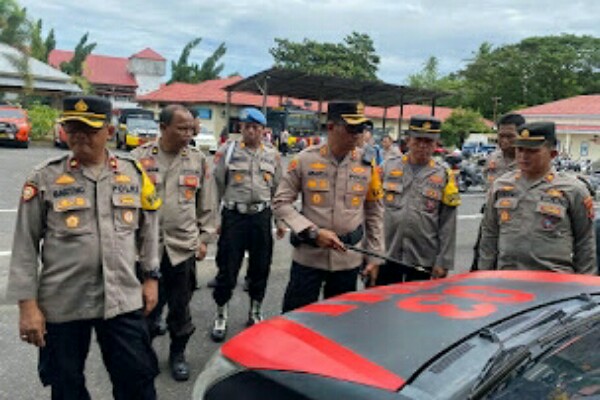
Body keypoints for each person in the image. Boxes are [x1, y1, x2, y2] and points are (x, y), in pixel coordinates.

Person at [7, 95, 162, 399]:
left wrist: (151, 277)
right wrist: (28, 306)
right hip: (64, 301)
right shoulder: (44, 177)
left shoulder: (133, 173)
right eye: (72, 127)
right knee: (66, 387)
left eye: (89, 129)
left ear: (109, 131)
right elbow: (24, 244)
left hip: (122, 298)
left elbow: (150, 229)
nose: (79, 136)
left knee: (138, 380)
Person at [132, 105, 218, 381]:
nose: (188, 133)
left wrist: (203, 239)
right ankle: (145, 356)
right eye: (182, 128)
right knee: (145, 307)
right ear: (163, 127)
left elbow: (207, 205)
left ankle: (178, 355)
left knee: (181, 308)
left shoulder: (198, 159)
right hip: (146, 249)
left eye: (191, 128)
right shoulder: (138, 158)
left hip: (182, 248)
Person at [273, 100, 384, 313]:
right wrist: (312, 232)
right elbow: (281, 202)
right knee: (296, 322)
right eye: (352, 128)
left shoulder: (368, 164)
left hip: (347, 260)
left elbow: (374, 212)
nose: (357, 135)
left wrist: (374, 256)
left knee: (339, 326)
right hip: (309, 258)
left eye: (361, 129)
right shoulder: (304, 160)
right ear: (331, 127)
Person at [477, 122, 596, 274]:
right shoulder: (501, 186)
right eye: (520, 149)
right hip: (508, 276)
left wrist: (584, 285)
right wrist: (484, 274)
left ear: (552, 154)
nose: (524, 156)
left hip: (554, 279)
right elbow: (489, 235)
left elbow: (585, 242)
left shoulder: (573, 189)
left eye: (532, 151)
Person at [210, 107, 285, 341]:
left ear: (263, 130)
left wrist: (280, 220)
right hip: (235, 217)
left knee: (260, 268)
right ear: (240, 128)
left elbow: (278, 191)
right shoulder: (228, 151)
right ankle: (221, 314)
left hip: (261, 217)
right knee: (227, 269)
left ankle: (255, 311)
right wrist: (215, 220)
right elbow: (216, 187)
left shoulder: (272, 155)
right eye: (247, 127)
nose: (251, 131)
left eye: (256, 127)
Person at [374, 115, 460, 284]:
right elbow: (372, 211)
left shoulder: (444, 174)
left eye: (428, 141)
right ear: (408, 140)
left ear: (436, 144)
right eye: (418, 139)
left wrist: (443, 261)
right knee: (382, 305)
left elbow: (448, 224)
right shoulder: (387, 167)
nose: (422, 145)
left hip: (423, 258)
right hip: (386, 254)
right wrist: (369, 252)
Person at [471, 113, 525, 271]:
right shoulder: (493, 159)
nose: (504, 141)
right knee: (481, 264)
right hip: (490, 220)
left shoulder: (528, 161)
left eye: (510, 136)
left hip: (517, 224)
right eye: (501, 136)